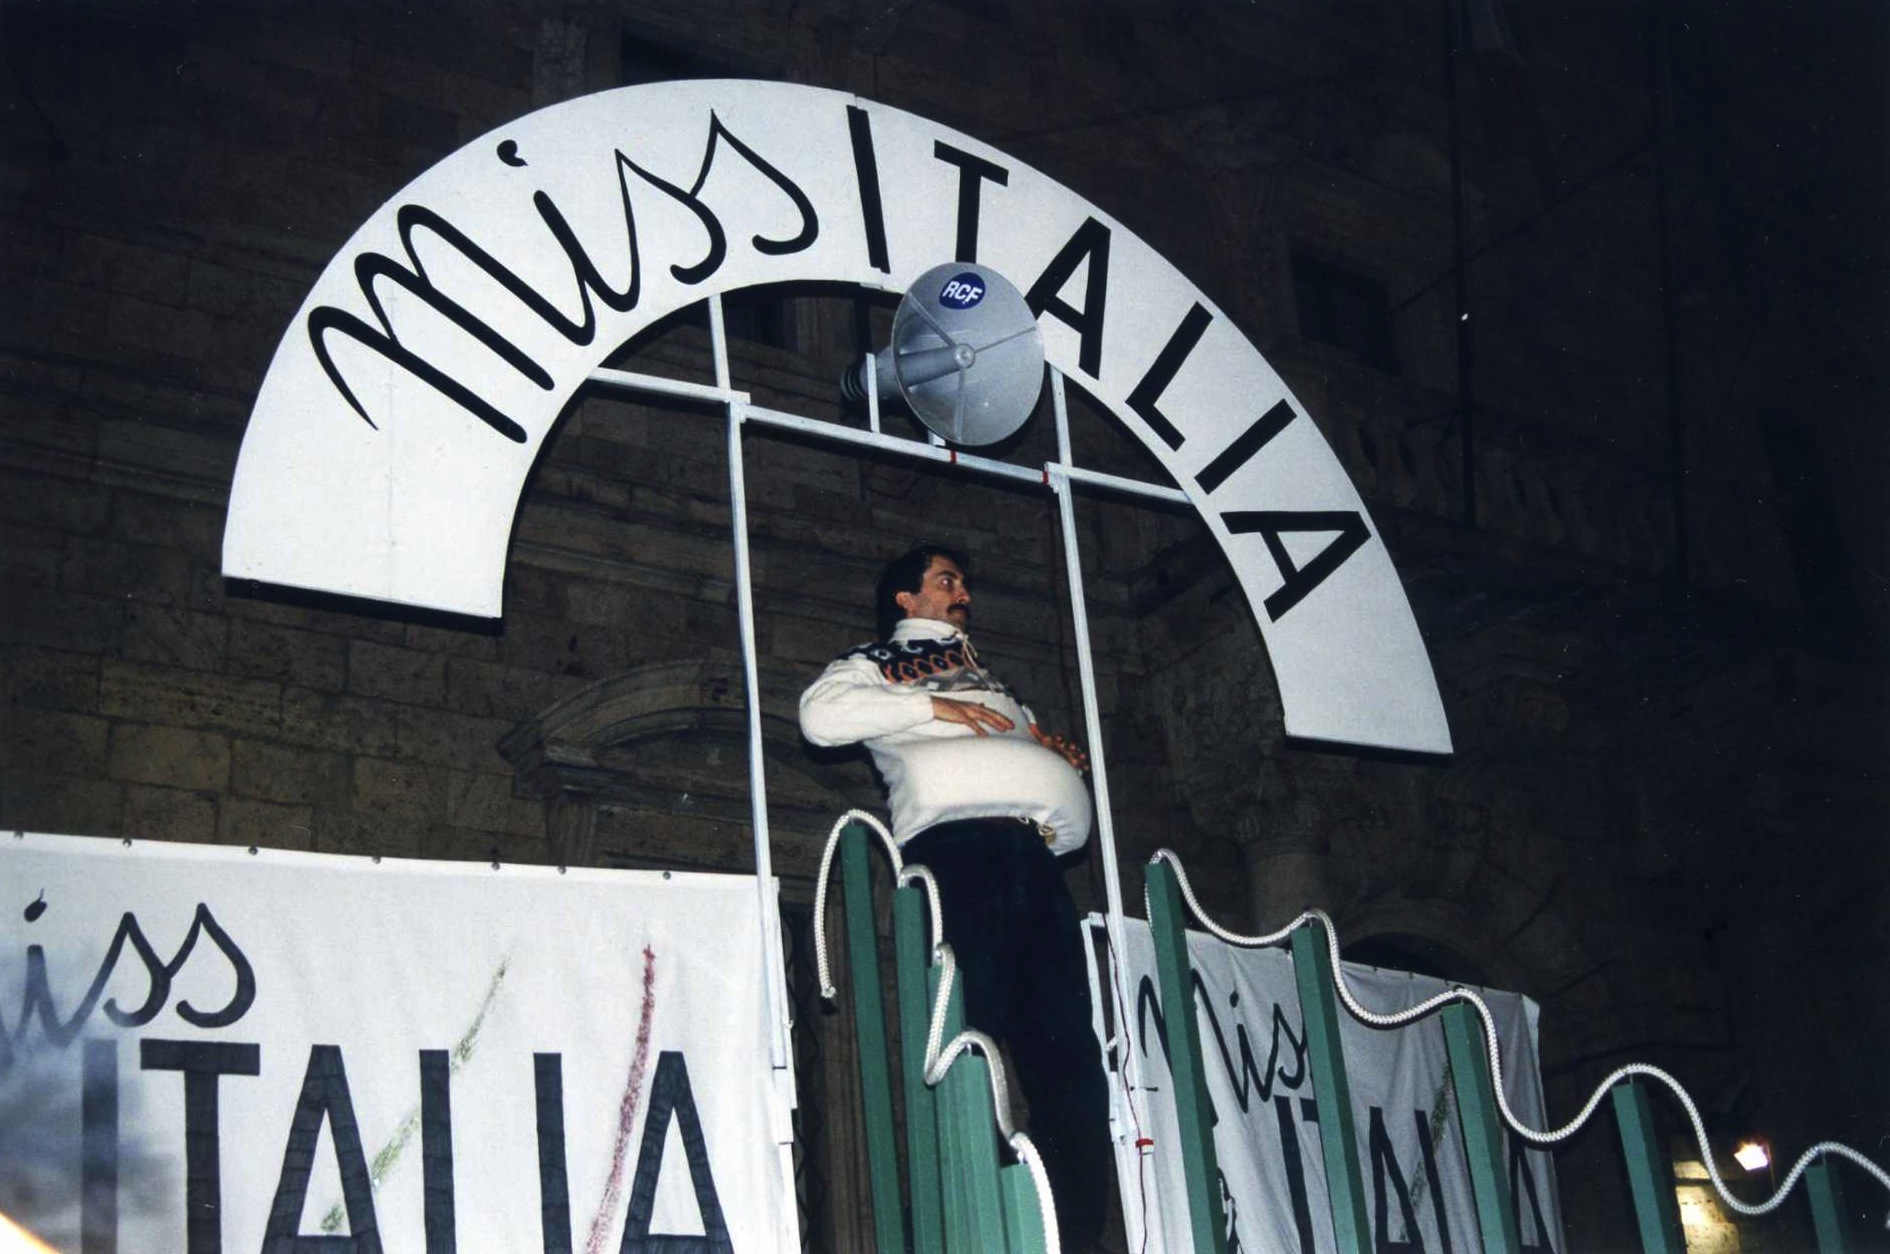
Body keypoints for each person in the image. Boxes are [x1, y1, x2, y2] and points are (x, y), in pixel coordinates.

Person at [800, 543, 1112, 1250]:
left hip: (1034, 859)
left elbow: (1013, 742)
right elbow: (819, 717)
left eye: (964, 582)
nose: (962, 591)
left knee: (1067, 1049)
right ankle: (977, 1219)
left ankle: (1071, 1233)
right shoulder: (874, 663)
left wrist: (1047, 756)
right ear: (906, 599)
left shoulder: (991, 678)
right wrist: (930, 705)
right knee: (971, 1037)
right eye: (946, 580)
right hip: (961, 852)